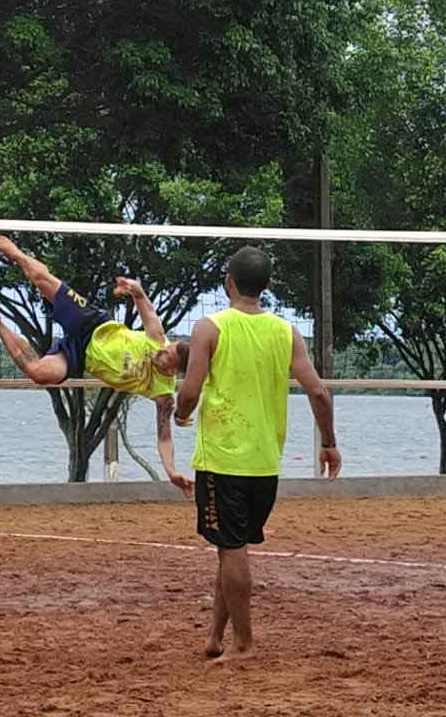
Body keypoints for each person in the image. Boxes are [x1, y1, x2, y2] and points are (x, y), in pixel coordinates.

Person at [173, 246, 341, 664]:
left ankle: (245, 644)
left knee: (232, 550)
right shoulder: (287, 332)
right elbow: (318, 390)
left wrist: (179, 413)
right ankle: (214, 635)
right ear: (267, 286)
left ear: (228, 281)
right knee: (230, 548)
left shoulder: (209, 327)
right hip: (265, 462)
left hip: (223, 459)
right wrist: (328, 442)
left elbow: (190, 390)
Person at [0, 234, 192, 493]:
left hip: (79, 355)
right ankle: (15, 252)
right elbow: (142, 298)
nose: (162, 351)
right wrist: (130, 286)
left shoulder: (163, 394)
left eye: (167, 356)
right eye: (167, 347)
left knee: (39, 373)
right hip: (92, 322)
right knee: (42, 281)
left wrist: (172, 471)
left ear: (173, 370)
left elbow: (164, 437)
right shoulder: (157, 338)